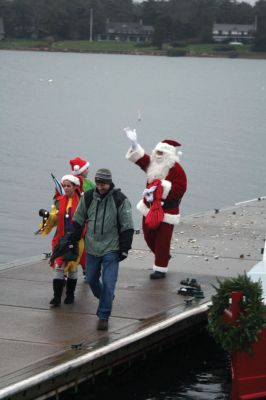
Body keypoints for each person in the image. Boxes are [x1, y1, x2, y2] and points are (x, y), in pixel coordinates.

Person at [70, 168, 134, 331]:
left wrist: (124, 248)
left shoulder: (120, 199)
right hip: (91, 247)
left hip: (112, 248)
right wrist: (73, 239)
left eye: (103, 184)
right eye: (98, 183)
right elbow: (78, 219)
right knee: (91, 279)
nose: (100, 186)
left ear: (109, 183)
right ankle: (107, 298)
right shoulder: (89, 197)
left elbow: (127, 226)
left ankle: (103, 316)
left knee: (108, 282)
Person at [124, 127, 187, 279]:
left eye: (162, 153)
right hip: (149, 208)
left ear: (169, 155)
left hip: (167, 211)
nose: (158, 155)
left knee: (163, 240)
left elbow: (180, 188)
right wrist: (134, 144)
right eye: (157, 152)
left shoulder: (177, 170)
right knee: (148, 236)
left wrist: (161, 187)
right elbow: (140, 159)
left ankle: (160, 268)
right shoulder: (153, 164)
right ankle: (163, 256)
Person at [37, 175, 85, 306]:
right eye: (64, 185)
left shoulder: (82, 202)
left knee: (72, 268)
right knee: (59, 266)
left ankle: (70, 295)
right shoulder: (59, 201)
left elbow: (86, 221)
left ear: (75, 187)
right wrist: (47, 215)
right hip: (61, 239)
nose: (65, 188)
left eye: (68, 186)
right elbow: (54, 218)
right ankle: (56, 297)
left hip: (76, 240)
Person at [69, 157, 95, 280]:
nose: (88, 171)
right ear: (81, 170)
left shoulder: (70, 183)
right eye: (87, 168)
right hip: (85, 219)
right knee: (86, 246)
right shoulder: (88, 184)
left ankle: (81, 270)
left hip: (76, 219)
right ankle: (86, 270)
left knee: (77, 245)